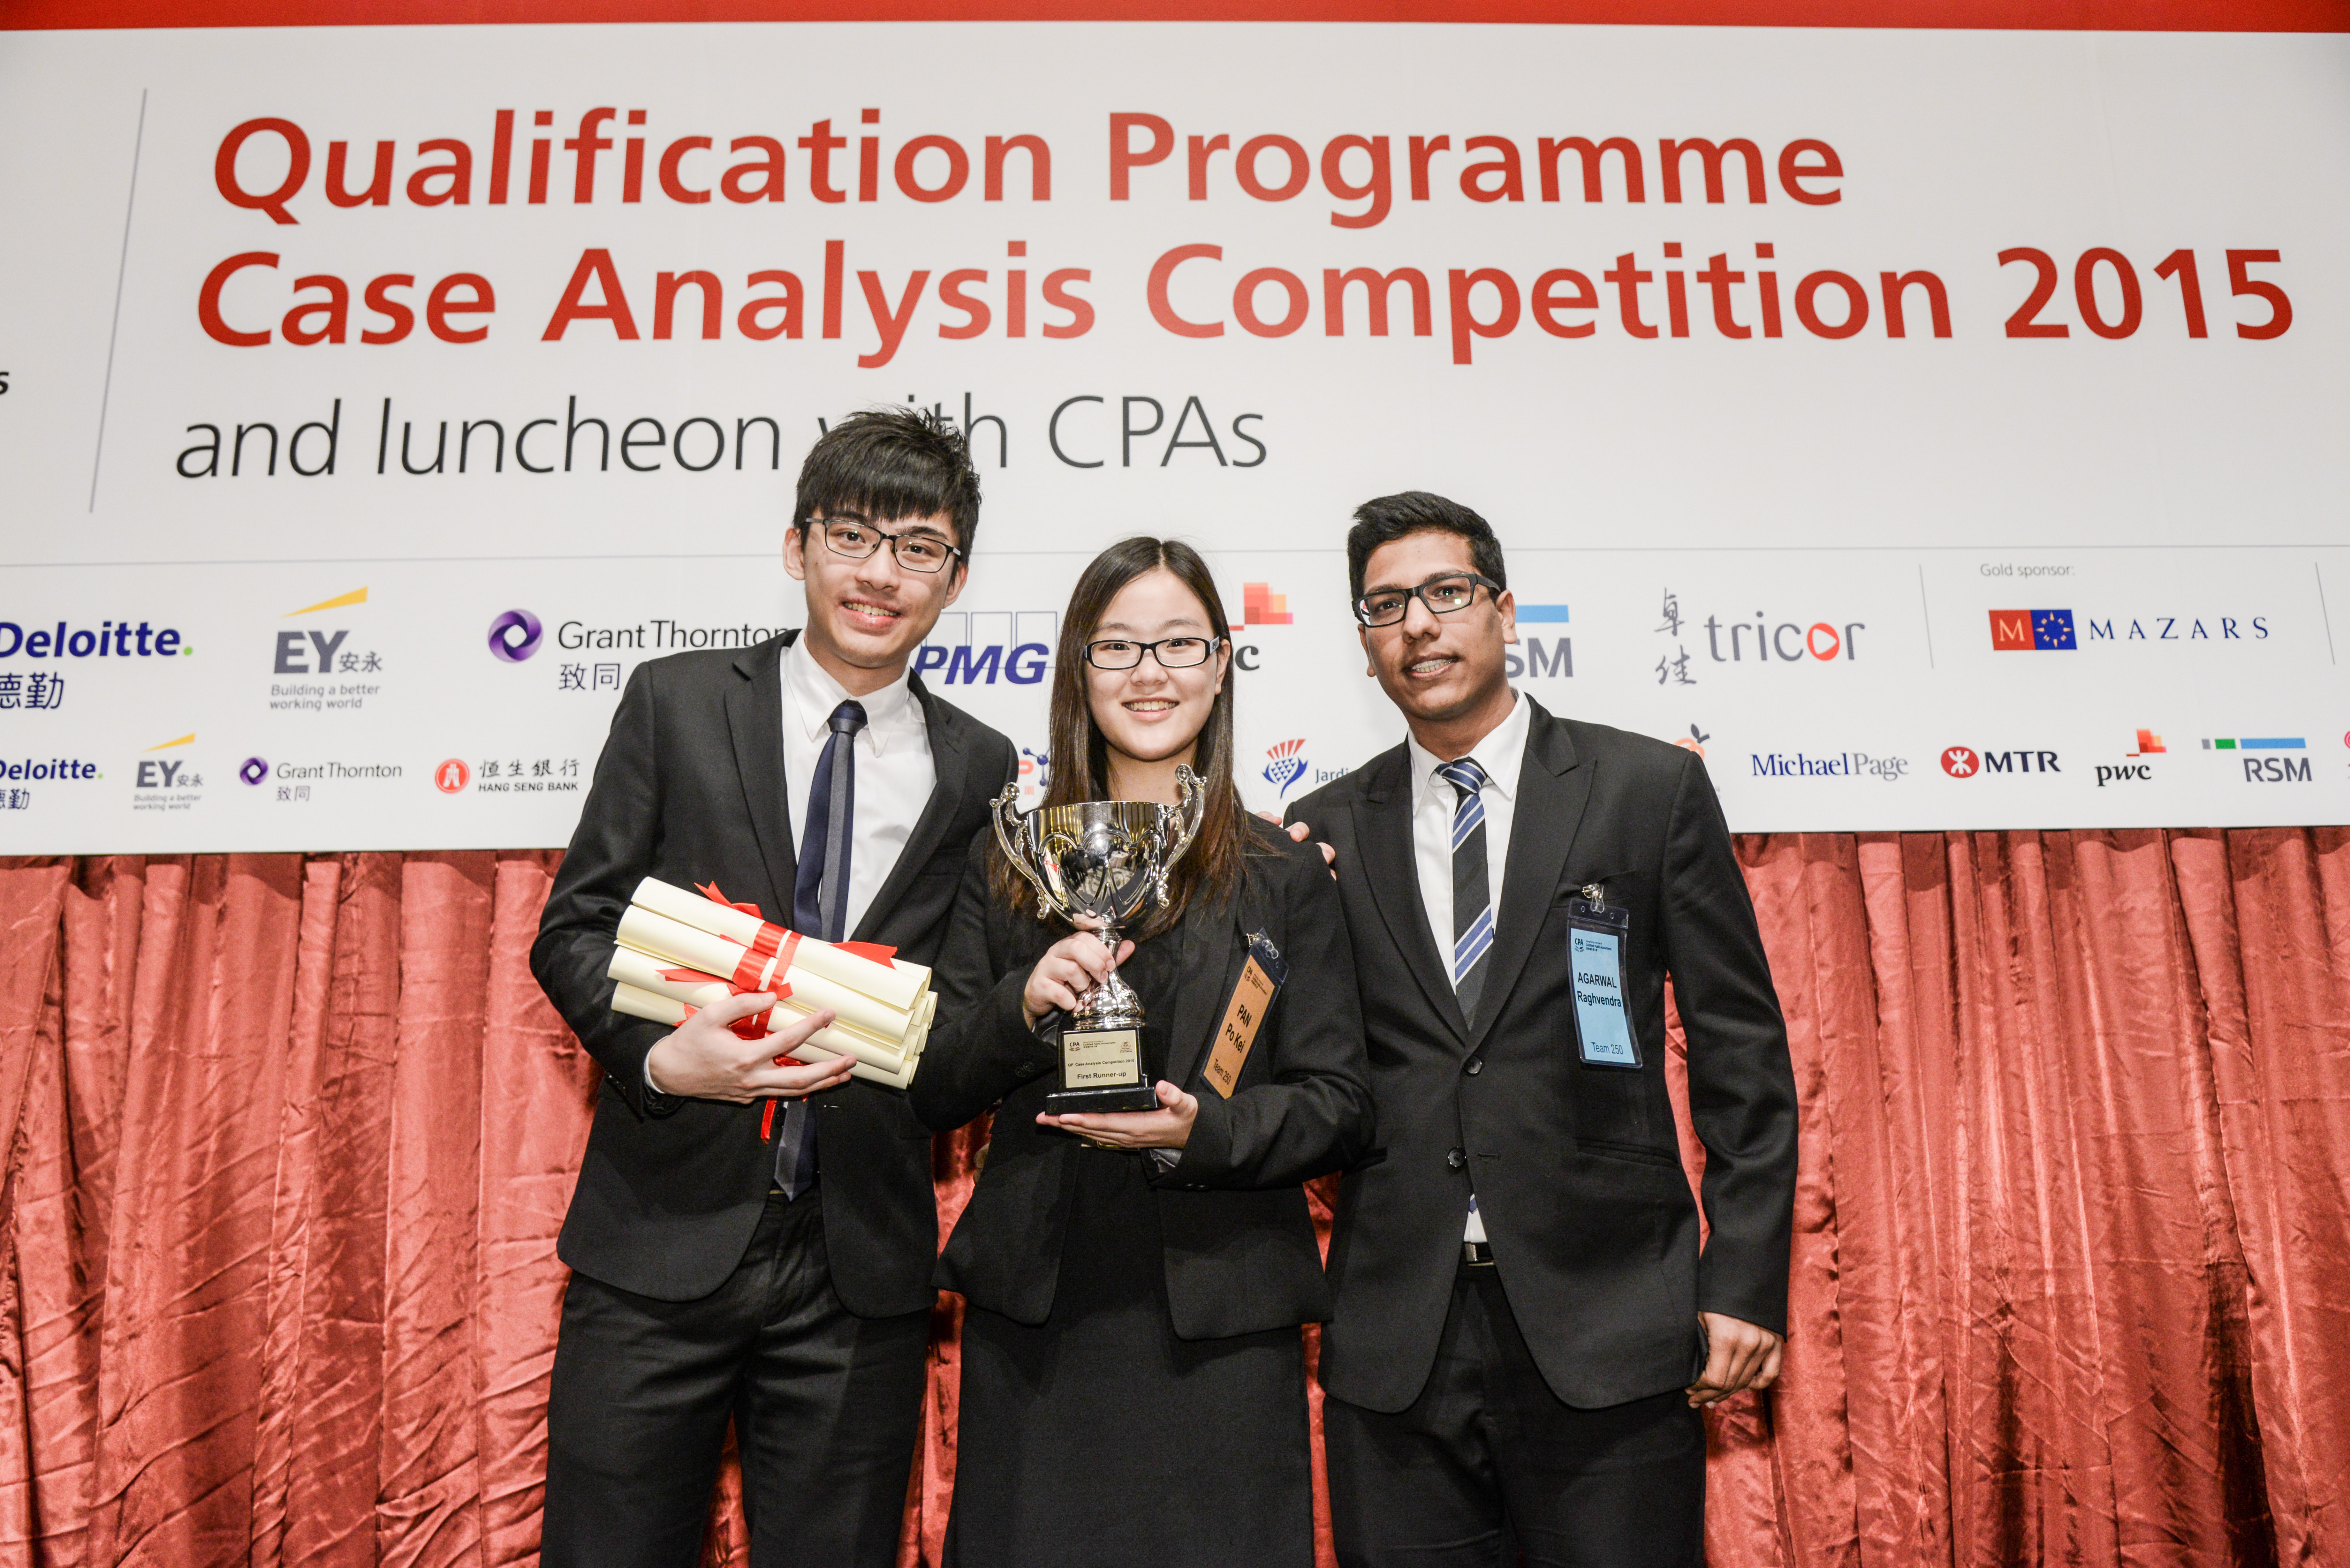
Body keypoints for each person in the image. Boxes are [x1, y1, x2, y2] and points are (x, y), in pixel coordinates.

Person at [529, 407, 1017, 1568]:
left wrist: (1030, 1005)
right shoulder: (677, 701)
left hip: (858, 1263)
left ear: (955, 580)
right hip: (659, 1243)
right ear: (798, 547)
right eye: (854, 535)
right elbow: (576, 926)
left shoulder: (981, 766)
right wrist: (656, 1060)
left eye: (919, 549)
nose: (880, 574)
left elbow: (947, 1013)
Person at [1284, 492, 1800, 1568]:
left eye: (1446, 593)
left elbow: (1741, 1051)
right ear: (1364, 642)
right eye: (1386, 607)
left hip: (1609, 1322)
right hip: (1398, 1339)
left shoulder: (1645, 789)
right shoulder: (1324, 831)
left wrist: (1743, 1281)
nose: (1418, 625)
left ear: (1505, 612)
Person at [911, 537, 1375, 1568]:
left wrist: (1202, 1130)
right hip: (1039, 1316)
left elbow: (1341, 1102)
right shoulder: (1011, 858)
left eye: (1177, 643)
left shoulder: (1282, 874)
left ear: (1221, 663)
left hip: (1221, 1318)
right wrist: (1020, 1003)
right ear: (1077, 668)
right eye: (1117, 647)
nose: (1150, 673)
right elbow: (931, 1083)